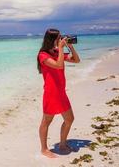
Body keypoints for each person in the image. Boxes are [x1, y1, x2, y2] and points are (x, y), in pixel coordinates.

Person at [37, 28, 80, 158]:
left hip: (61, 92)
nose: (61, 40)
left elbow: (76, 60)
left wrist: (70, 47)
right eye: (59, 38)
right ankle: (44, 149)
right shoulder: (43, 55)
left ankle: (62, 144)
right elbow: (59, 65)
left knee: (69, 119)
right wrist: (61, 48)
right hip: (51, 93)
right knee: (46, 122)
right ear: (52, 39)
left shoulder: (56, 52)